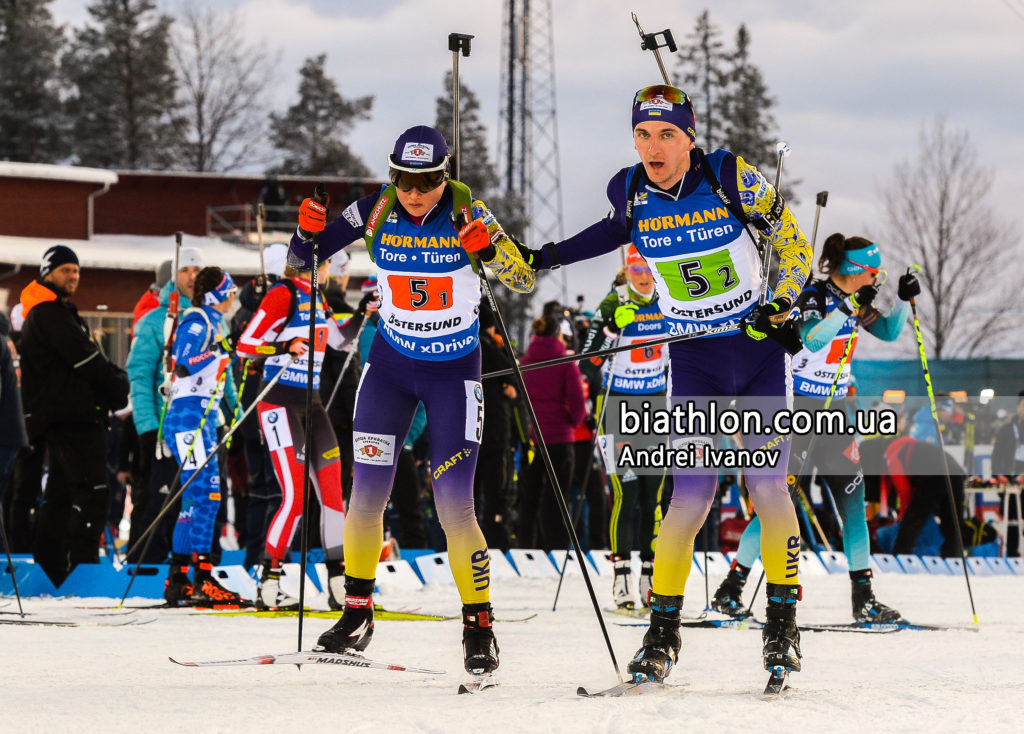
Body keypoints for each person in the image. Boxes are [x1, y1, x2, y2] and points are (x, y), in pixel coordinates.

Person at [515, 85, 811, 683]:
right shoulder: (630, 188)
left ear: (689, 136)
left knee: (768, 488)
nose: (654, 146)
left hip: (753, 357)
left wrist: (780, 305)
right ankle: (662, 633)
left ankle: (781, 623)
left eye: (667, 135)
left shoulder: (728, 173)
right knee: (690, 498)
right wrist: (543, 256)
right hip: (695, 363)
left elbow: (792, 242)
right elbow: (605, 234)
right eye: (643, 135)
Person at [287, 125, 534, 676]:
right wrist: (305, 235)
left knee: (453, 503)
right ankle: (356, 613)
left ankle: (478, 625)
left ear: (444, 176)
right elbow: (300, 263)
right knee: (365, 494)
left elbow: (522, 279)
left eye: (426, 181)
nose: (415, 192)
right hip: (392, 371)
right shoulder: (373, 209)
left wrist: (490, 249)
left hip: (453, 375)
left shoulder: (471, 211)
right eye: (404, 179)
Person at [712, 234, 921, 624]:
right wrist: (846, 308)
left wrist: (904, 302)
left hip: (837, 412)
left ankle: (864, 597)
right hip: (800, 409)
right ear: (854, 271)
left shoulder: (860, 302)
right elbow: (811, 339)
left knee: (854, 501)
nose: (876, 279)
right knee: (778, 501)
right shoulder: (812, 295)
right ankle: (731, 589)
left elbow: (891, 332)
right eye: (873, 273)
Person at [236, 253, 365, 610]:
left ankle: (339, 581)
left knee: (332, 493)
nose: (329, 272)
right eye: (325, 265)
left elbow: (340, 341)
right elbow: (245, 345)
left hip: (313, 404)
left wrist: (363, 314)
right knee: (294, 497)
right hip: (278, 403)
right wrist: (282, 346)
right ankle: (269, 582)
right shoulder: (283, 293)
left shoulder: (318, 296)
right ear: (313, 265)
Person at [18, 245, 129, 585]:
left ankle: (52, 570)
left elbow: (88, 358)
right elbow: (85, 359)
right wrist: (117, 383)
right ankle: (83, 568)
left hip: (68, 416)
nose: (74, 276)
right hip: (69, 419)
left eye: (77, 271)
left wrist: (111, 380)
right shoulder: (49, 314)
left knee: (62, 495)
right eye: (66, 270)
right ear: (46, 272)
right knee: (93, 490)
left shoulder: (58, 312)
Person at [580, 246, 669, 611]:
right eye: (636, 268)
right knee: (626, 492)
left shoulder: (670, 296)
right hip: (618, 406)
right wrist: (613, 328)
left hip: (657, 407)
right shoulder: (611, 301)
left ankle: (649, 575)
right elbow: (587, 362)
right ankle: (621, 579)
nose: (644, 276)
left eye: (649, 268)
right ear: (626, 268)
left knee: (654, 496)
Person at [160, 267, 248, 606]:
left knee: (195, 498)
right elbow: (185, 360)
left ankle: (179, 578)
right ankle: (202, 578)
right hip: (188, 417)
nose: (231, 298)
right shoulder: (198, 320)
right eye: (228, 292)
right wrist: (220, 348)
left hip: (203, 416)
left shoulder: (215, 321)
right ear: (214, 294)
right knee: (209, 494)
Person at [125, 247, 205, 562]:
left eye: (197, 272)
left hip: (203, 428)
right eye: (185, 270)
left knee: (200, 502)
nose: (192, 277)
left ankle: (193, 567)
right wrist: (147, 427)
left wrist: (230, 418)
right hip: (164, 431)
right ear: (173, 277)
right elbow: (140, 376)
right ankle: (145, 565)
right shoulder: (155, 321)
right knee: (158, 504)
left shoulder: (210, 316)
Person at [520, 313, 588, 551]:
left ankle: (530, 545)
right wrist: (572, 422)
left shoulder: (526, 362)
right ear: (558, 334)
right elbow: (578, 403)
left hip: (537, 436)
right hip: (561, 437)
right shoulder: (564, 361)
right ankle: (557, 547)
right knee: (558, 497)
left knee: (533, 495)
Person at [991, 390, 1024, 556]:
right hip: (1010, 479)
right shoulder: (1007, 430)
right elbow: (996, 456)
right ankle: (1011, 554)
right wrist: (997, 475)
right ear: (1018, 407)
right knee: (1011, 519)